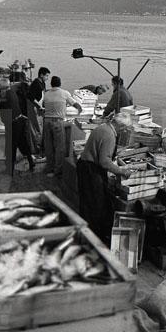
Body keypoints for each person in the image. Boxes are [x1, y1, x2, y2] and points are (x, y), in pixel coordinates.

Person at [77, 114, 133, 244]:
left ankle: (84, 234)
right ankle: (94, 239)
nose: (125, 131)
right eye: (125, 128)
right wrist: (121, 171)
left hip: (84, 165)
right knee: (97, 205)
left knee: (86, 204)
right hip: (90, 170)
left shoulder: (103, 127)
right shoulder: (110, 135)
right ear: (120, 126)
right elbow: (104, 162)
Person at [0, 76, 34, 175]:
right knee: (23, 144)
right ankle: (31, 163)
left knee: (10, 147)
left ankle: (9, 171)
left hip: (13, 124)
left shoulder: (3, 96)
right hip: (20, 121)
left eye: (0, 89)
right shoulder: (12, 92)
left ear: (2, 88)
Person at [43, 75, 82, 178]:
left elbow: (43, 105)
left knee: (49, 146)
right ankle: (57, 171)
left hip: (46, 121)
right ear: (60, 84)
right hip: (57, 122)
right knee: (59, 147)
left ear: (51, 84)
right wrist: (80, 110)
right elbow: (75, 104)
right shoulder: (64, 93)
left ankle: (49, 168)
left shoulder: (46, 94)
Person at [27, 66, 50, 158]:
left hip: (40, 108)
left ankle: (40, 148)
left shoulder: (42, 83)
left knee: (41, 127)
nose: (47, 78)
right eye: (46, 76)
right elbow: (31, 97)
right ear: (41, 75)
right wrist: (39, 106)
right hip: (34, 108)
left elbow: (43, 94)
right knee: (37, 128)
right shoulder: (36, 83)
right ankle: (36, 150)